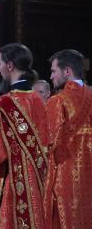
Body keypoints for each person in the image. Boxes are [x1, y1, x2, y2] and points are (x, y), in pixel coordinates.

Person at [0, 43, 48, 229]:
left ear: (10, 66)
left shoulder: (4, 105)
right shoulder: (39, 102)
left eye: (0, 64)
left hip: (8, 183)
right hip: (36, 184)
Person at [44, 49, 92, 228]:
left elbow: (47, 143)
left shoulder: (58, 101)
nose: (50, 76)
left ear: (67, 72)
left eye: (53, 71)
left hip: (65, 179)